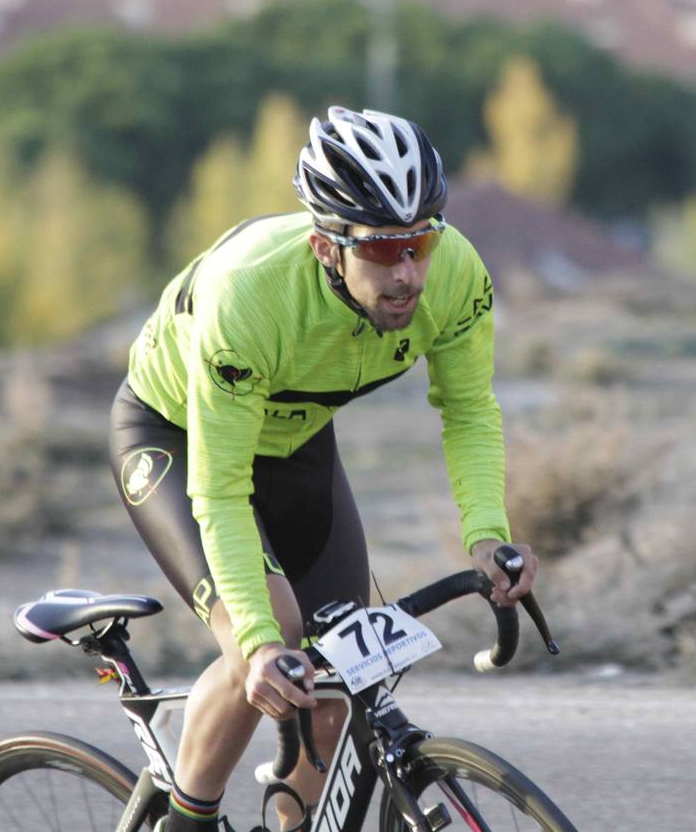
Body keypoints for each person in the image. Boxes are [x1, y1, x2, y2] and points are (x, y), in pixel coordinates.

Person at [108, 105, 538, 831]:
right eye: (381, 251)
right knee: (272, 633)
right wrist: (258, 643)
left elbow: (469, 411)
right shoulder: (252, 296)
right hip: (177, 436)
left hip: (295, 441)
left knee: (343, 669)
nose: (407, 274)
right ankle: (186, 820)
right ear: (325, 247)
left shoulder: (456, 274)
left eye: (420, 242)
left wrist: (486, 535)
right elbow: (219, 486)